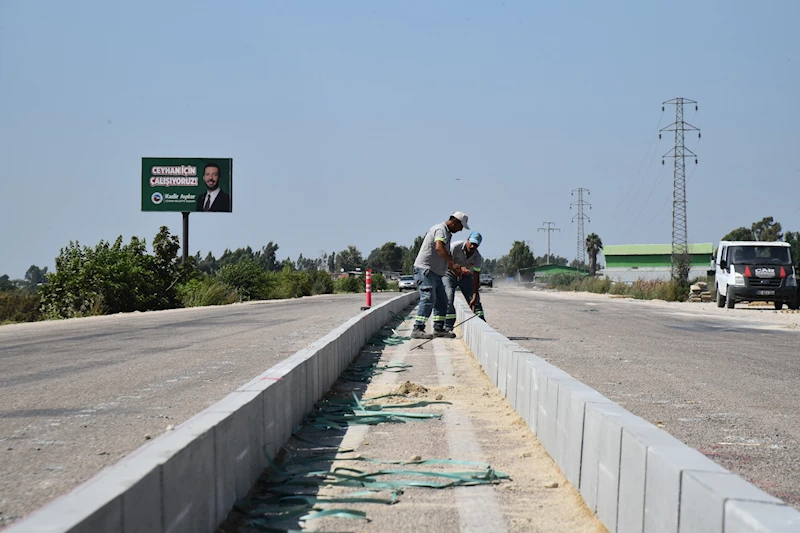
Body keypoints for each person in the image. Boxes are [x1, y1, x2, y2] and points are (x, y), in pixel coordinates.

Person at [411, 211, 471, 339]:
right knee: (428, 298)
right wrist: (453, 263)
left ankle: (438, 328)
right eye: (461, 227)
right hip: (426, 270)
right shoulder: (440, 230)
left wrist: (454, 270)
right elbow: (439, 248)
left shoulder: (446, 233)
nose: (460, 230)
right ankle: (418, 328)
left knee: (442, 301)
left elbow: (444, 255)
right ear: (455, 222)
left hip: (436, 272)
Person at [443, 232, 486, 334]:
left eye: (475, 245)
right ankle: (448, 326)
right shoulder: (455, 247)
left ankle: (482, 324)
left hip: (465, 276)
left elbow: (476, 276)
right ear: (467, 240)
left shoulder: (477, 257)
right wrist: (457, 270)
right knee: (448, 297)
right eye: (471, 243)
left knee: (475, 300)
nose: (472, 246)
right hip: (449, 274)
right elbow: (446, 261)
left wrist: (475, 294)